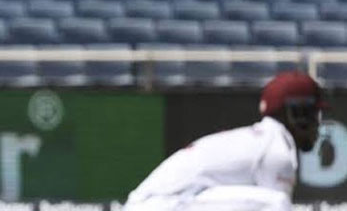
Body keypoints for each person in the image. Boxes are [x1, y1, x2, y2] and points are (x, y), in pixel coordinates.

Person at [123, 71, 327, 211]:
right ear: (297, 112)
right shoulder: (277, 149)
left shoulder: (263, 138)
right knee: (276, 203)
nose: (317, 123)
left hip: (158, 204)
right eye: (314, 113)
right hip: (162, 205)